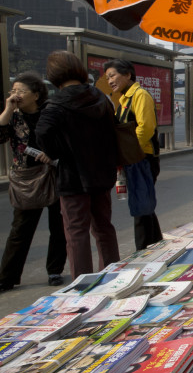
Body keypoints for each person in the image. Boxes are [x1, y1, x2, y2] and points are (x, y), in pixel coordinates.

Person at [36, 50, 120, 279]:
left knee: (76, 232)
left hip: (73, 178)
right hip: (102, 175)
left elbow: (43, 132)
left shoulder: (56, 103)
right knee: (104, 228)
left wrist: (57, 151)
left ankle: (83, 285)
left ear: (53, 75)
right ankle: (113, 277)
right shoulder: (101, 98)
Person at [0, 72, 67, 291]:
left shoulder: (51, 112)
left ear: (36, 94)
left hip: (53, 174)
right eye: (13, 91)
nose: (15, 94)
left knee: (58, 225)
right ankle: (7, 277)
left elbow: (65, 140)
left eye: (20, 91)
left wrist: (53, 154)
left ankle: (55, 270)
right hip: (26, 179)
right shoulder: (14, 116)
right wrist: (9, 108)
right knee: (20, 229)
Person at [105, 59, 163, 250]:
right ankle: (156, 243)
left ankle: (143, 250)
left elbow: (145, 128)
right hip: (132, 158)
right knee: (143, 205)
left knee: (141, 207)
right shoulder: (123, 100)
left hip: (142, 158)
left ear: (128, 74)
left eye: (113, 75)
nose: (110, 81)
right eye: (107, 78)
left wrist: (129, 151)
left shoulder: (140, 95)